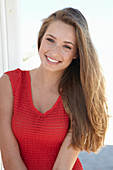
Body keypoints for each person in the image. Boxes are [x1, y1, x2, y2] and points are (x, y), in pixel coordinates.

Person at [0, 7, 108, 170]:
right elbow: (10, 159)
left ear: (76, 53)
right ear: (41, 38)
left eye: (67, 46)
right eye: (50, 40)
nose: (54, 51)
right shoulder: (9, 83)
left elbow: (61, 168)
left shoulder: (79, 95)